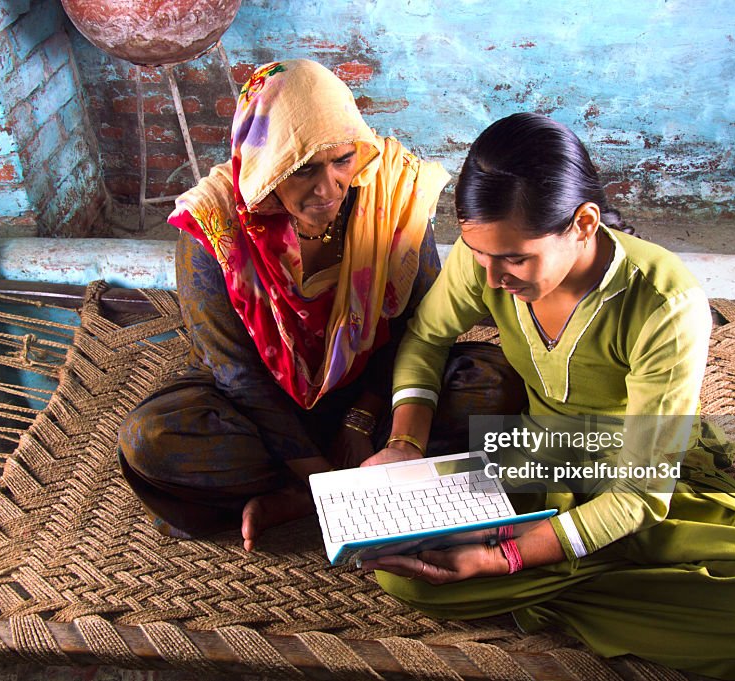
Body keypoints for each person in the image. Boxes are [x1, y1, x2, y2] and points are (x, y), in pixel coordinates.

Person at [360, 113, 735, 681]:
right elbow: (427, 337)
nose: (493, 276)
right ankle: (609, 590)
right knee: (401, 571)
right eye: (480, 255)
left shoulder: (664, 303)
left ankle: (538, 585)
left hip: (646, 477)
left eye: (515, 259)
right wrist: (406, 442)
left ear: (583, 223)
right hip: (537, 457)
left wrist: (506, 557)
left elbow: (639, 496)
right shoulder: (486, 255)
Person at [117, 59, 522, 551]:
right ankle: (325, 492)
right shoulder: (213, 228)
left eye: (341, 161)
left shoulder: (390, 196)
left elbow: (420, 329)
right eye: (303, 169)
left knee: (499, 385)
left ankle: (312, 490)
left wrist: (364, 418)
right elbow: (236, 374)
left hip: (374, 394)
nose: (328, 188)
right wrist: (313, 472)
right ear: (265, 164)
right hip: (262, 413)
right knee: (153, 440)